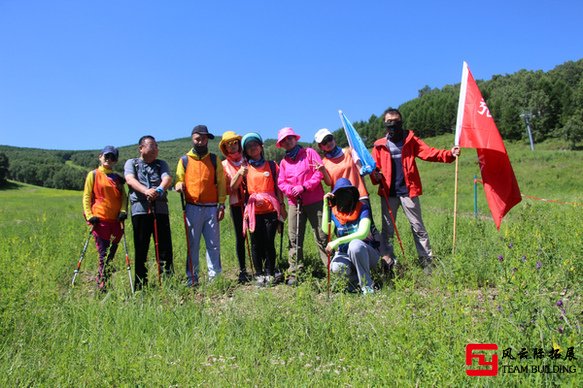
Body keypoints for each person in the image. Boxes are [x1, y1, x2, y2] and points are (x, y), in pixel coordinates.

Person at [370, 108, 460, 273]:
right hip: (388, 194)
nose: (392, 125)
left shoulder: (411, 141)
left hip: (408, 192)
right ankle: (388, 263)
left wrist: (450, 154)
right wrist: (375, 176)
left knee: (418, 228)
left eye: (395, 122)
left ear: (401, 122)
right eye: (388, 122)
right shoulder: (379, 145)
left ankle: (427, 264)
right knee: (388, 231)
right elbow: (374, 171)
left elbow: (429, 153)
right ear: (384, 124)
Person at [231, 132, 287, 286]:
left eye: (255, 144)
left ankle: (269, 272)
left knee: (269, 242)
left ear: (261, 147)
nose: (252, 148)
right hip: (253, 211)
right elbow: (233, 187)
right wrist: (239, 174)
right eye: (248, 146)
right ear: (245, 151)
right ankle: (259, 273)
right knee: (256, 243)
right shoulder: (245, 168)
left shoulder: (272, 165)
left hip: (271, 209)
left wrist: (282, 207)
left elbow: (278, 188)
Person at [175, 125, 226, 286]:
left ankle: (215, 279)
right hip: (192, 206)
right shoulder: (184, 160)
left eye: (204, 138)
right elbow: (179, 179)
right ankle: (192, 278)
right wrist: (178, 185)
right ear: (192, 138)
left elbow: (221, 183)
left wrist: (222, 205)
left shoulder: (214, 159)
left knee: (213, 244)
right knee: (193, 244)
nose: (201, 141)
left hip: (212, 207)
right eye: (198, 138)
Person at [276, 127, 328, 285]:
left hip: (315, 200)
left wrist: (304, 187)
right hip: (294, 203)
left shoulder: (310, 153)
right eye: (284, 140)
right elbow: (281, 182)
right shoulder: (284, 162)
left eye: (290, 137)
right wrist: (290, 190)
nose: (288, 141)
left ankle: (331, 268)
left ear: (295, 138)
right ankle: (295, 272)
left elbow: (319, 173)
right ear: (282, 144)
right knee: (294, 238)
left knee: (322, 235)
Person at [124, 135, 174, 290]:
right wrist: (146, 191)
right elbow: (130, 180)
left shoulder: (161, 164)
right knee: (141, 247)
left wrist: (158, 190)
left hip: (160, 209)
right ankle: (140, 284)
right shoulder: (131, 163)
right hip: (140, 210)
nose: (155, 149)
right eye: (152, 146)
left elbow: (167, 178)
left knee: (165, 247)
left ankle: (168, 280)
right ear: (141, 148)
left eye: (156, 146)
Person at [322, 178, 380, 294]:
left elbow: (362, 233)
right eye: (340, 194)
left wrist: (337, 241)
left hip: (367, 253)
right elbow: (326, 230)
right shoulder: (334, 212)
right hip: (345, 254)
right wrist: (325, 206)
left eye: (346, 193)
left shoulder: (363, 208)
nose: (344, 197)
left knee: (355, 245)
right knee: (337, 267)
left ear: (353, 194)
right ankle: (355, 283)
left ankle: (367, 287)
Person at [82, 145, 128, 292]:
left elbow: (124, 198)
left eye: (112, 157)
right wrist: (90, 216)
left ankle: (104, 281)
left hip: (115, 222)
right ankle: (102, 284)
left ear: (116, 160)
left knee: (111, 255)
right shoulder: (93, 175)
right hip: (100, 221)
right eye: (106, 156)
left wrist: (123, 211)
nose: (109, 159)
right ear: (100, 157)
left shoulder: (117, 179)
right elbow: (87, 196)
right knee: (103, 254)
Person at [219, 130, 251, 283]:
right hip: (236, 204)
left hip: (253, 202)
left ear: (239, 143)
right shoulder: (224, 165)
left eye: (234, 142)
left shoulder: (248, 158)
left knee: (256, 234)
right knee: (240, 236)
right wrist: (239, 174)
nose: (232, 146)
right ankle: (243, 269)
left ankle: (260, 265)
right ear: (225, 147)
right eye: (228, 144)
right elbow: (227, 188)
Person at [313, 128, 369, 202]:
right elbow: (329, 183)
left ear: (334, 139)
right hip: (340, 200)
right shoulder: (323, 163)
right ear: (320, 146)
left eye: (329, 139)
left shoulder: (350, 152)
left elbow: (362, 171)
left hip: (359, 196)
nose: (328, 143)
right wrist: (323, 170)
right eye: (324, 142)